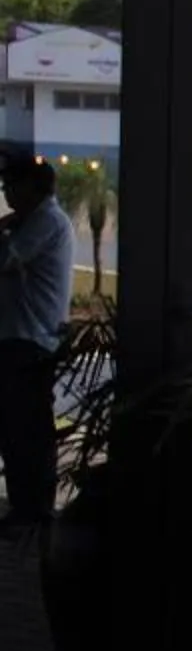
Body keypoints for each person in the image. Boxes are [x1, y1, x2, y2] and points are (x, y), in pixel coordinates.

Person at [0, 154, 74, 534]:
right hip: (22, 337)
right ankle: (26, 507)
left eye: (12, 183)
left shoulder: (44, 221)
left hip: (30, 340)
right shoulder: (34, 221)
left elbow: (6, 259)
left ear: (33, 186)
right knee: (18, 428)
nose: (6, 190)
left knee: (26, 429)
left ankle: (33, 510)